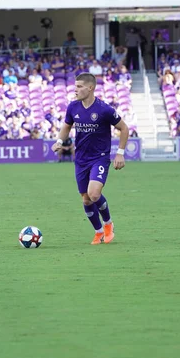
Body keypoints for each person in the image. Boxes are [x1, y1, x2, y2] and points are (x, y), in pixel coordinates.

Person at [52, 73, 129, 245]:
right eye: (75, 86)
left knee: (94, 194)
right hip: (81, 159)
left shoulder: (104, 109)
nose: (76, 90)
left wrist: (120, 153)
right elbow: (66, 126)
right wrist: (59, 141)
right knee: (86, 199)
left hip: (99, 158)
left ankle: (108, 224)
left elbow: (124, 128)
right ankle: (98, 231)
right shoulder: (73, 107)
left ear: (90, 88)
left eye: (79, 87)